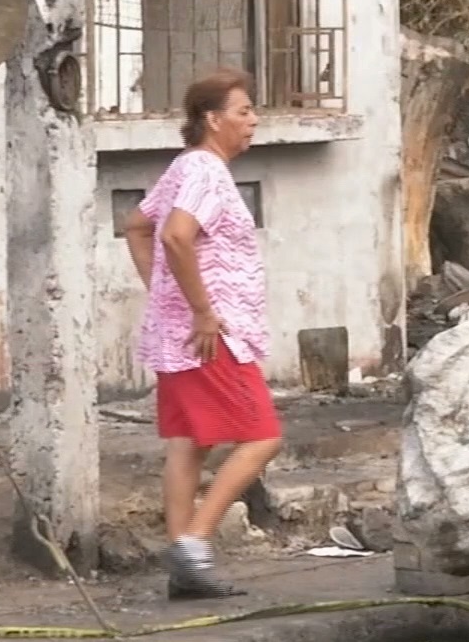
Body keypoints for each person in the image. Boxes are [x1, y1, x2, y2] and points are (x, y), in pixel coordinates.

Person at [121, 69, 283, 600]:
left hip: (186, 332)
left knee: (190, 444)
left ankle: (183, 567)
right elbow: (173, 233)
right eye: (243, 111)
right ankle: (193, 544)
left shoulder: (185, 168)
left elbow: (136, 225)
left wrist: (166, 294)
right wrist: (199, 310)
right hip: (213, 336)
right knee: (262, 438)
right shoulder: (206, 172)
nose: (253, 119)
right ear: (213, 120)